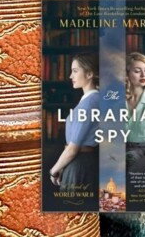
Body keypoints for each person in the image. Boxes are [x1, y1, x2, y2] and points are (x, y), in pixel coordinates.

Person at [49, 53, 100, 198]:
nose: (70, 76)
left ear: (89, 74)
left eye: (75, 71)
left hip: (79, 165)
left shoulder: (90, 103)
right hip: (81, 162)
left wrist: (53, 170)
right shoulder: (92, 100)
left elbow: (72, 149)